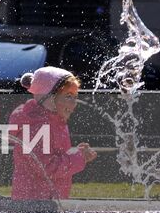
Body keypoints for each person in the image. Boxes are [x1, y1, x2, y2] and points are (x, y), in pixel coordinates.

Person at [9, 65, 97, 200]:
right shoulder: (37, 126)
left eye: (75, 96)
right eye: (68, 96)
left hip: (46, 198)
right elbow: (46, 167)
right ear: (49, 98)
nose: (74, 103)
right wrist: (79, 157)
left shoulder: (54, 122)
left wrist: (76, 153)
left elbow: (53, 155)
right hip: (34, 203)